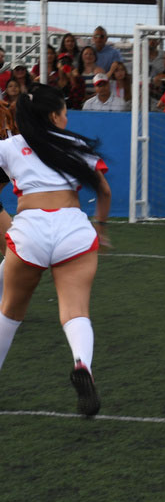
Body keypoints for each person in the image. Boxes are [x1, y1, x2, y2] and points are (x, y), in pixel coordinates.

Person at [0, 84, 111, 416]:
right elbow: (104, 191)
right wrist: (101, 227)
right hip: (73, 230)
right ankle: (82, 365)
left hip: (29, 231)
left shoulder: (10, 146)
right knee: (76, 311)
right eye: (64, 111)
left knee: (9, 313)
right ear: (53, 116)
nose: (67, 117)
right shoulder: (76, 145)